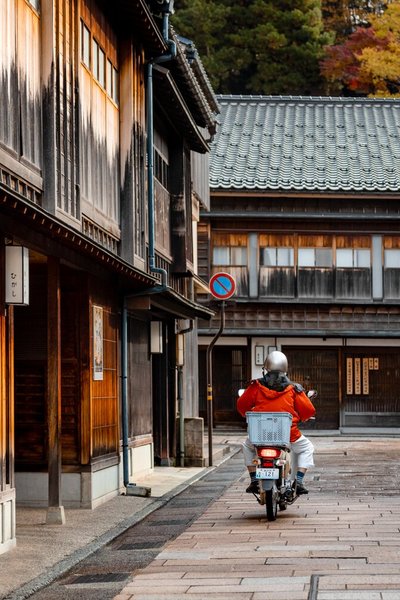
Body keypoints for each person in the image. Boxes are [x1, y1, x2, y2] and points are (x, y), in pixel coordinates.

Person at [237, 350, 316, 496]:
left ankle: (254, 480)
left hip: (260, 434)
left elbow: (242, 406)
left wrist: (245, 413)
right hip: (287, 434)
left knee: (246, 446)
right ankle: (298, 481)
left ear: (265, 368)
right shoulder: (293, 389)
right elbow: (309, 410)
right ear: (285, 368)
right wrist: (302, 417)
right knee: (307, 448)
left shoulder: (255, 386)